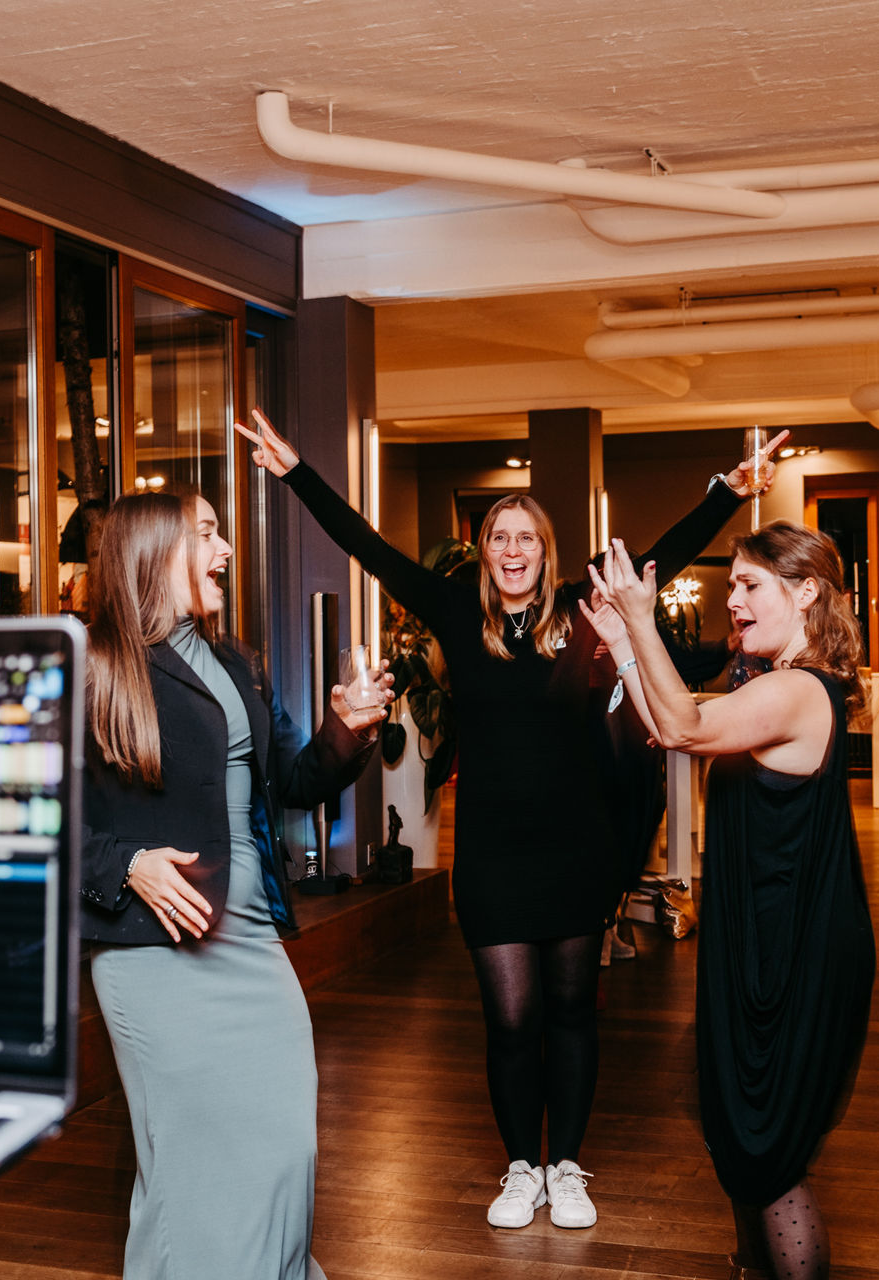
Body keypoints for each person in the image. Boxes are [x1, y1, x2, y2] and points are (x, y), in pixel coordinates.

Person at [237, 407, 781, 1232]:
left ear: (545, 551)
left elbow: (658, 555)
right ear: (485, 551)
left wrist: (730, 490)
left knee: (572, 1011)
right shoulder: (457, 611)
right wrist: (296, 472)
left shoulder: (581, 606)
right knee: (511, 1019)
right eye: (499, 537)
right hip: (492, 855)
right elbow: (369, 547)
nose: (513, 550)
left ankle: (568, 1166)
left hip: (575, 849)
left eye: (526, 538)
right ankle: (522, 1165)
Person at [77, 490, 390, 1280]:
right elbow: (32, 818)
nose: (224, 552)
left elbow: (294, 780)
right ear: (155, 551)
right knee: (191, 1168)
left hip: (248, 941)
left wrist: (347, 729)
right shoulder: (93, 668)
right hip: (156, 954)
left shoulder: (236, 663)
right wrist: (126, 864)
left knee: (285, 1145)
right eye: (208, 534)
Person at [586, 523, 875, 1280]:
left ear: (806, 592)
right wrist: (623, 641)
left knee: (768, 1150)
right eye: (732, 587)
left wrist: (642, 619)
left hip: (794, 950)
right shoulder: (774, 683)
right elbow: (672, 727)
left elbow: (683, 725)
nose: (733, 602)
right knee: (741, 1135)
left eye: (750, 585)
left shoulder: (798, 689)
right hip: (758, 939)